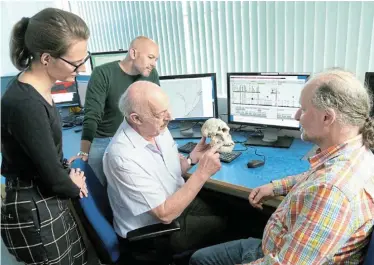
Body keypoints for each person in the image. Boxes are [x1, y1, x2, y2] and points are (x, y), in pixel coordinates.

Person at [190, 69, 374, 265]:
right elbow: (315, 176)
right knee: (199, 258)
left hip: (276, 256)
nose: (296, 116)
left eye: (303, 109)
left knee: (199, 261)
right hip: (279, 246)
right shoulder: (355, 153)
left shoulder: (332, 192)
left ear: (327, 118)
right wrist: (276, 186)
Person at [1, 8, 90, 265]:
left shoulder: (38, 88)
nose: (82, 68)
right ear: (47, 59)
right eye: (75, 62)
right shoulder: (26, 103)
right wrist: (71, 180)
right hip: (35, 208)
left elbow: (44, 154)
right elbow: (56, 181)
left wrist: (64, 169)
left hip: (47, 198)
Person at [103, 80, 228, 255]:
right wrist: (202, 173)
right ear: (136, 118)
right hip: (157, 230)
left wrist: (192, 158)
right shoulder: (122, 156)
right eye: (161, 114)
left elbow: (168, 172)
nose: (170, 117)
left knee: (229, 209)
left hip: (176, 201)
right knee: (227, 226)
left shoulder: (156, 129)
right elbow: (164, 214)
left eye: (168, 109)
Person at [69, 36, 160, 186]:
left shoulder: (152, 75)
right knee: (101, 190)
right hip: (105, 140)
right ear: (133, 53)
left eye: (156, 59)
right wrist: (84, 152)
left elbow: (156, 110)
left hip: (137, 139)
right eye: (150, 57)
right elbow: (92, 116)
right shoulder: (103, 73)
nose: (153, 64)